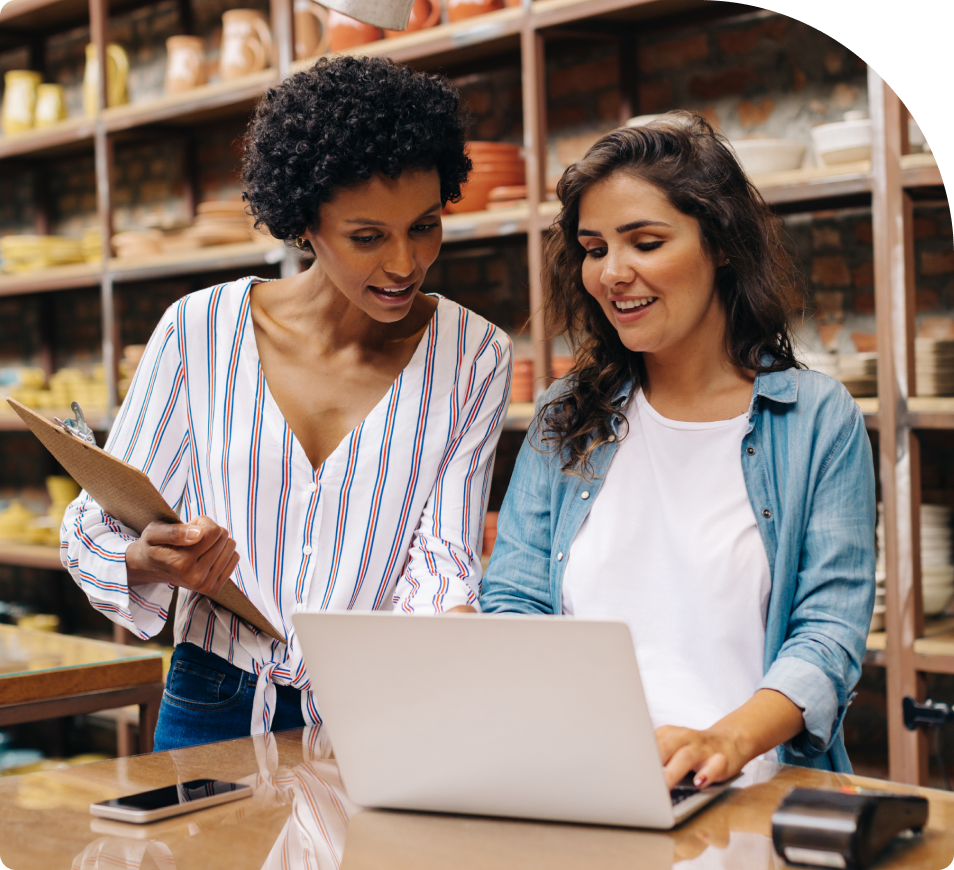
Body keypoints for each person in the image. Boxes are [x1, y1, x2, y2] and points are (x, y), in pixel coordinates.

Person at [61, 56, 512, 750]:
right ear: (305, 223)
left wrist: (458, 646)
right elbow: (98, 523)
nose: (403, 263)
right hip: (212, 697)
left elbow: (443, 559)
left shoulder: (475, 354)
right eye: (367, 237)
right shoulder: (199, 330)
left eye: (424, 225)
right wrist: (154, 561)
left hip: (380, 708)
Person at [479, 114, 875, 788]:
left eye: (646, 241)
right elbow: (514, 602)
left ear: (718, 243)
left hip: (746, 787)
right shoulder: (566, 415)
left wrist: (724, 741)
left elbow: (828, 634)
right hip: (585, 784)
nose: (612, 273)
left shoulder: (814, 418)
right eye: (595, 247)